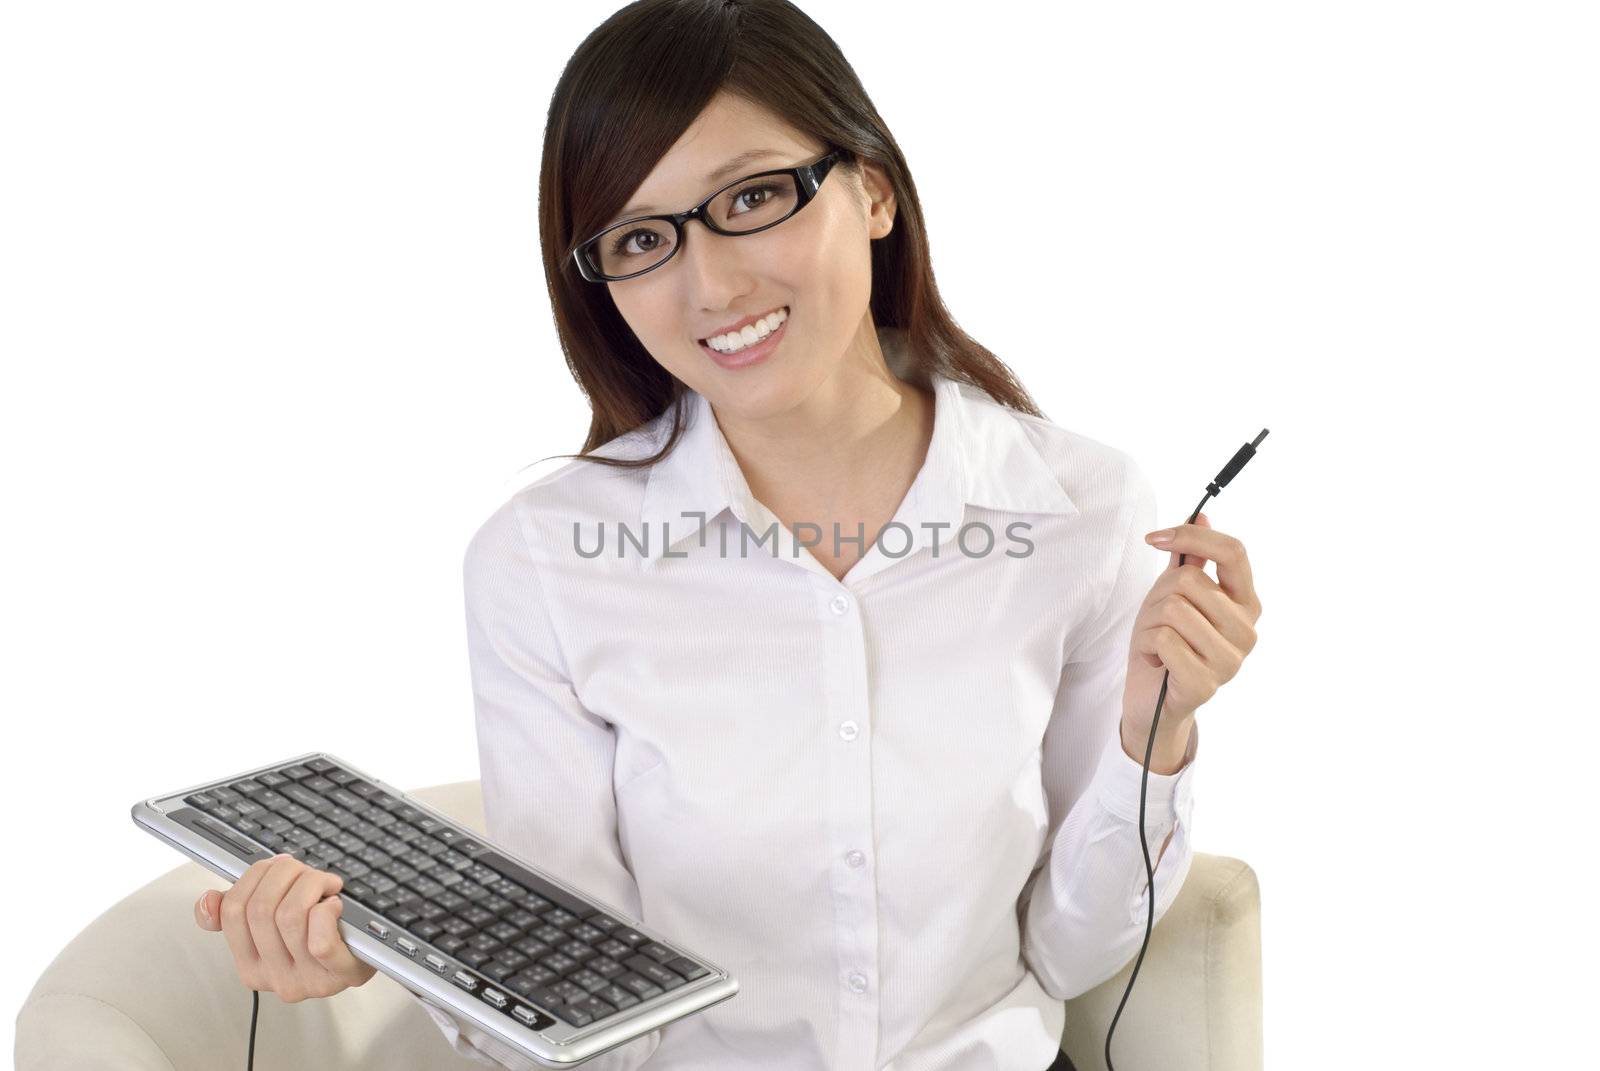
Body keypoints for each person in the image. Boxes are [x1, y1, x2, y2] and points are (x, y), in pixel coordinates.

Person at [193, 2, 1263, 1069]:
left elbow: (1070, 953)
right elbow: (582, 1028)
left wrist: (1148, 736)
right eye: (643, 239)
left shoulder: (1080, 509)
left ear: (874, 191)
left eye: (753, 196)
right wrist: (387, 952)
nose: (711, 285)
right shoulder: (544, 561)